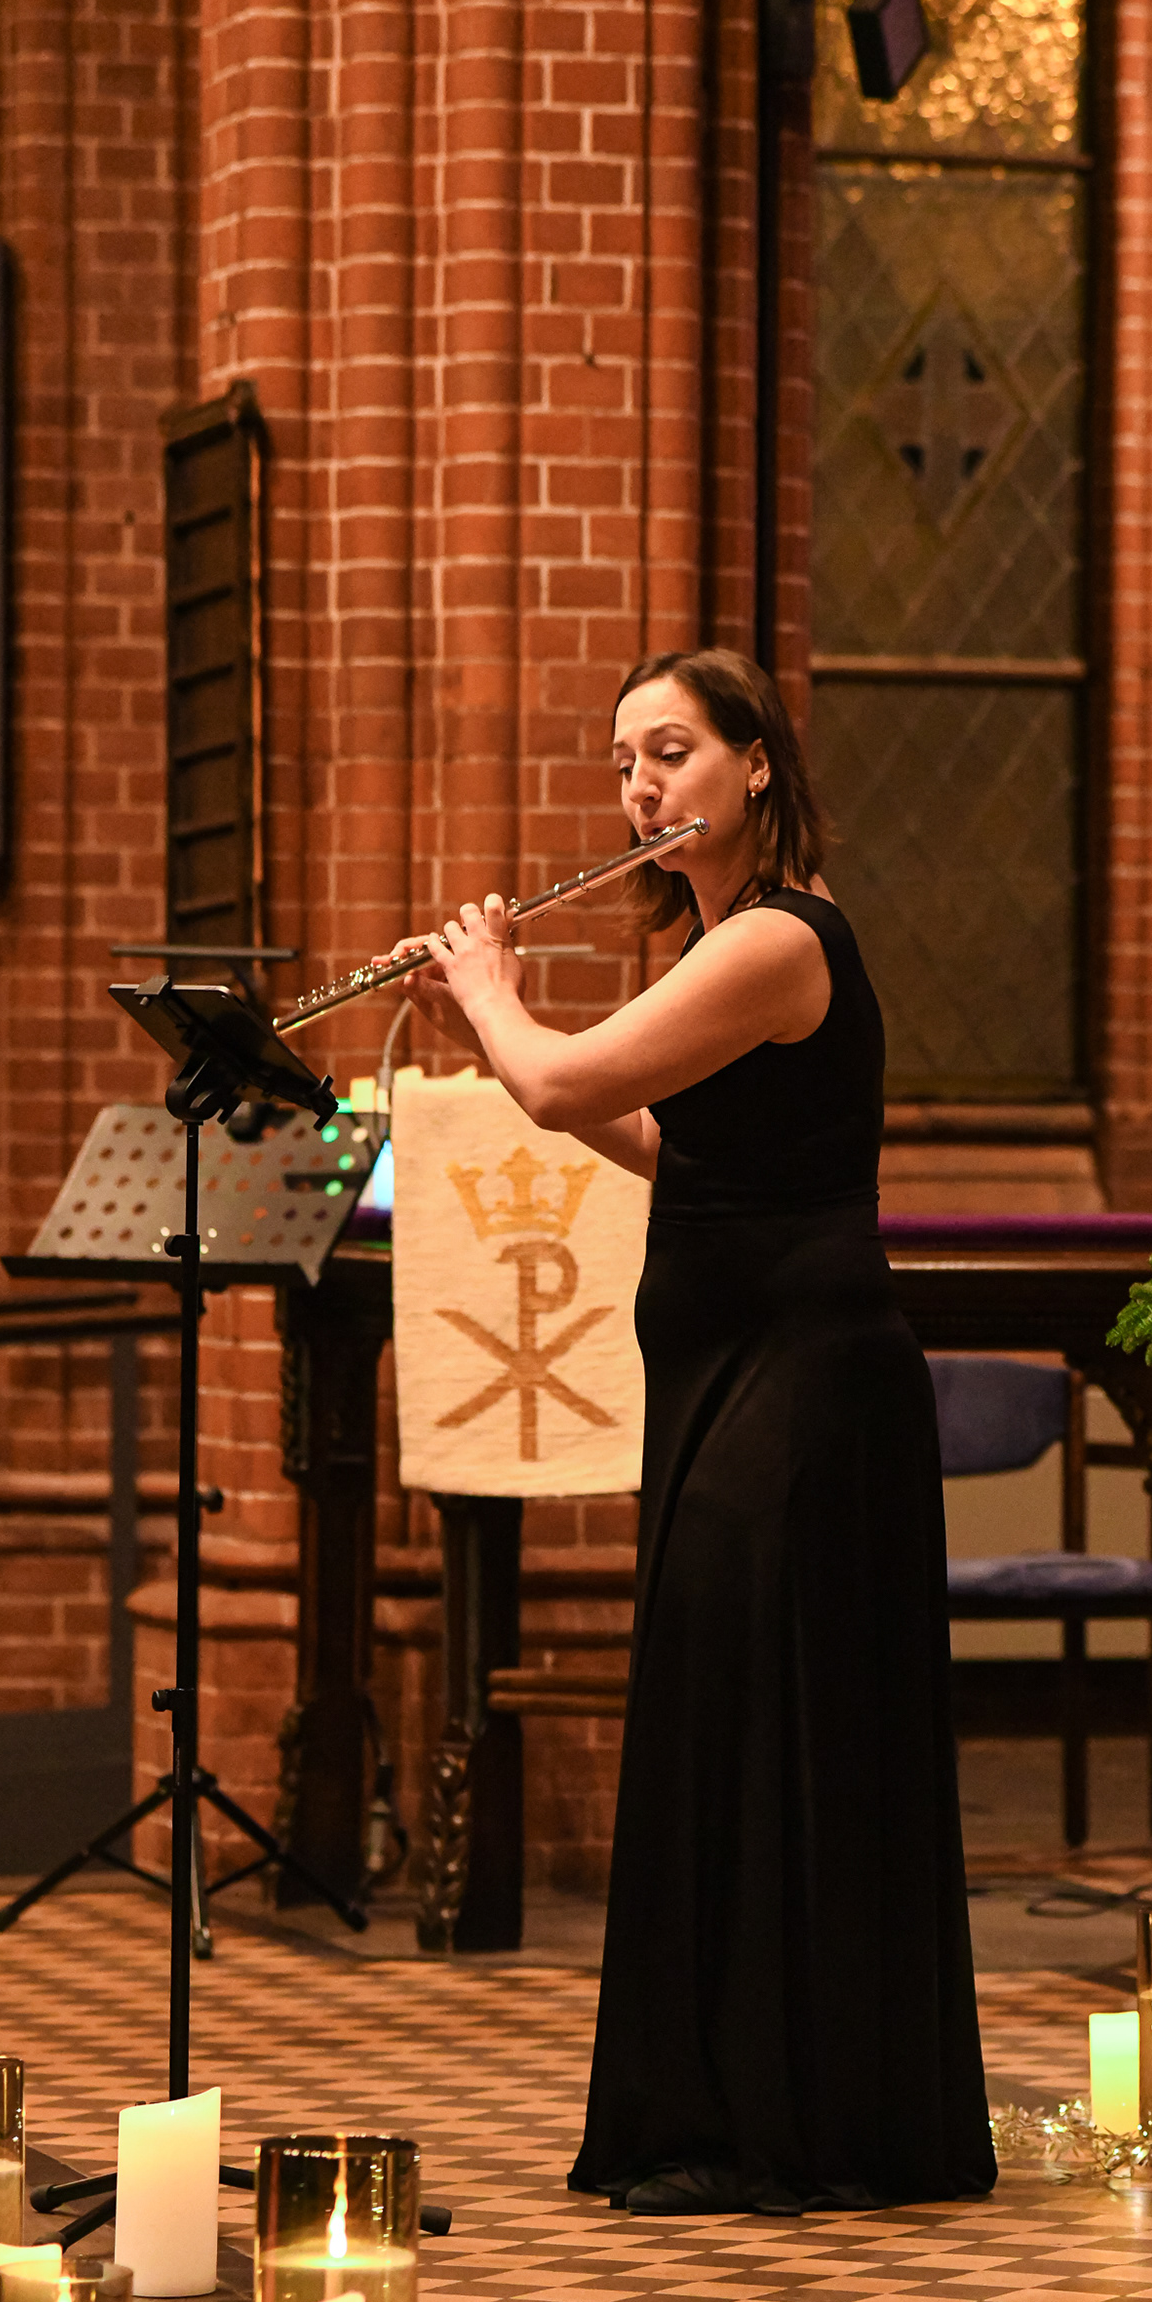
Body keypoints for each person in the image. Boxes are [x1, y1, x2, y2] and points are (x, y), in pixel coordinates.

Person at [400, 647, 995, 2215]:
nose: (640, 786)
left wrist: (491, 993)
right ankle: (758, 2105)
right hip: (737, 1370)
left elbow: (562, 1084)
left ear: (755, 763)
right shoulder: (730, 948)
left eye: (669, 751)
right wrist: (494, 1034)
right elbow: (676, 1144)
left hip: (804, 1383)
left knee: (769, 1731)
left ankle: (781, 2124)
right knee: (732, 1724)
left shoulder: (783, 939)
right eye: (621, 763)